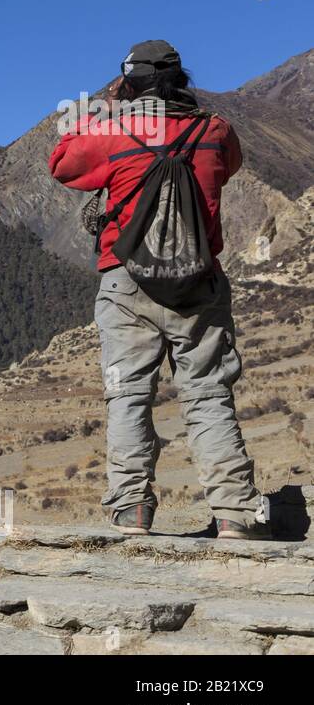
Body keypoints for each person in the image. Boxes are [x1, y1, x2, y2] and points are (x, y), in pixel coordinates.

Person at [49, 40, 269, 539]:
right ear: (180, 79)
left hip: (127, 283)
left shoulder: (114, 132)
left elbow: (61, 163)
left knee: (127, 395)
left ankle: (133, 511)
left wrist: (103, 108)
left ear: (130, 82)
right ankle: (234, 512)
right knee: (209, 394)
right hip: (199, 282)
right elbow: (229, 166)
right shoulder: (216, 130)